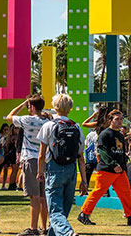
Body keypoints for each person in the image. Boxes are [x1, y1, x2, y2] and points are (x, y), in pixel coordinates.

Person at [77, 108, 131, 227]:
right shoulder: (105, 134)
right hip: (106, 170)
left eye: (121, 119)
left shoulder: (120, 135)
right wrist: (113, 164)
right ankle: (84, 213)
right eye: (117, 119)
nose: (120, 121)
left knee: (126, 193)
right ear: (110, 121)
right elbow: (102, 151)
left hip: (120, 171)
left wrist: (123, 167)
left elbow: (121, 152)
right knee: (98, 192)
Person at [36, 92, 88, 236]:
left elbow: (41, 154)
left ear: (55, 107)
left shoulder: (48, 126)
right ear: (70, 108)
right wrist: (84, 181)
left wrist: (40, 172)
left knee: (55, 211)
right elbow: (81, 157)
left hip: (54, 169)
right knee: (62, 212)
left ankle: (67, 233)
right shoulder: (76, 127)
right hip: (71, 169)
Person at [6, 95, 52, 236]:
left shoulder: (27, 120)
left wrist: (22, 104)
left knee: (34, 196)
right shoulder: (47, 121)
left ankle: (33, 228)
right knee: (43, 196)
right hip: (45, 160)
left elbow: (9, 117)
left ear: (31, 107)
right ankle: (44, 227)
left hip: (31, 159)